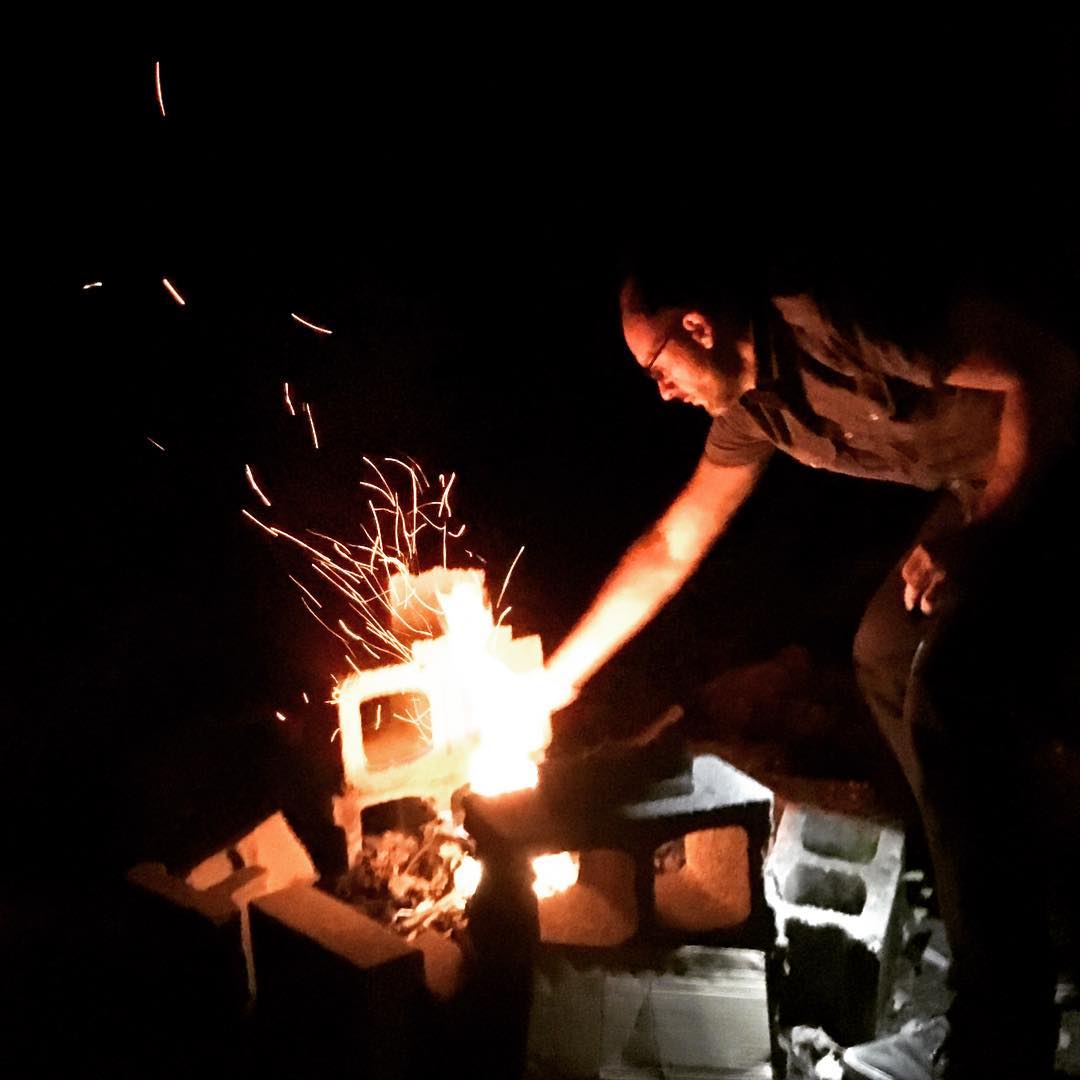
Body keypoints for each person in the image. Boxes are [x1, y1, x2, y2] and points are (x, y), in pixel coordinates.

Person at [545, 252, 1079, 1079]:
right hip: (981, 489)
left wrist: (987, 536)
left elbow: (1046, 367)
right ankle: (993, 883)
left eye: (657, 366)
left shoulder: (835, 320)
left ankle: (1009, 1015)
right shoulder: (754, 410)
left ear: (699, 327)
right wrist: (556, 682)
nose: (662, 391)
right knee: (883, 652)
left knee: (950, 685)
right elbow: (672, 543)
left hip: (1055, 466)